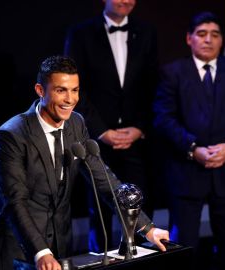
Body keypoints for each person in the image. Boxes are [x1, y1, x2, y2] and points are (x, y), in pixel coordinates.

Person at [0, 56, 169, 270]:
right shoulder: (11, 135)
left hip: (60, 247)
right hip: (18, 251)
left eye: (75, 90)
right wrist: (41, 252)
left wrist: (146, 228)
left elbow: (104, 179)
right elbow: (15, 202)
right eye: (61, 90)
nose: (70, 99)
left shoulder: (76, 123)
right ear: (40, 90)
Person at [153, 12, 225, 270]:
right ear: (189, 38)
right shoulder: (172, 72)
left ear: (222, 40)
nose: (208, 40)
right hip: (187, 172)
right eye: (202, 34)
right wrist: (193, 149)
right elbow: (163, 118)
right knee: (183, 245)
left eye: (215, 34)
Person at [63, 0, 158, 253]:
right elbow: (73, 87)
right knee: (98, 210)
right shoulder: (81, 33)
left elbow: (153, 86)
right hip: (96, 139)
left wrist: (139, 127)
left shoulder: (147, 32)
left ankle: (137, 259)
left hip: (136, 140)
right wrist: (101, 131)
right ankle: (100, 260)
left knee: (139, 205)